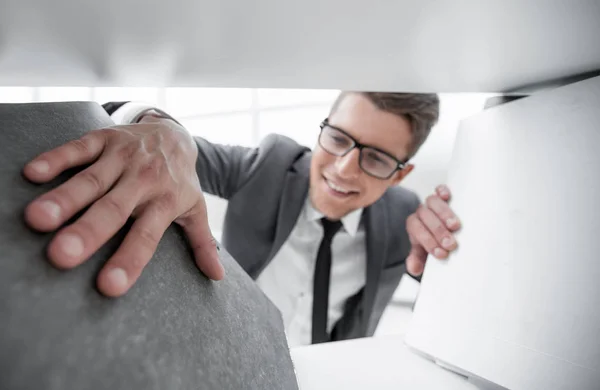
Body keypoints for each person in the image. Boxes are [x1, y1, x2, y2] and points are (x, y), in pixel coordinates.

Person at [22, 91, 461, 346]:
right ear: (321, 129)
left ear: (401, 173)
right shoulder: (267, 166)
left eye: (377, 159)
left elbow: (448, 282)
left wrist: (447, 256)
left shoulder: (405, 215)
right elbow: (177, 148)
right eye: (338, 138)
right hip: (232, 351)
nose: (344, 168)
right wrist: (161, 128)